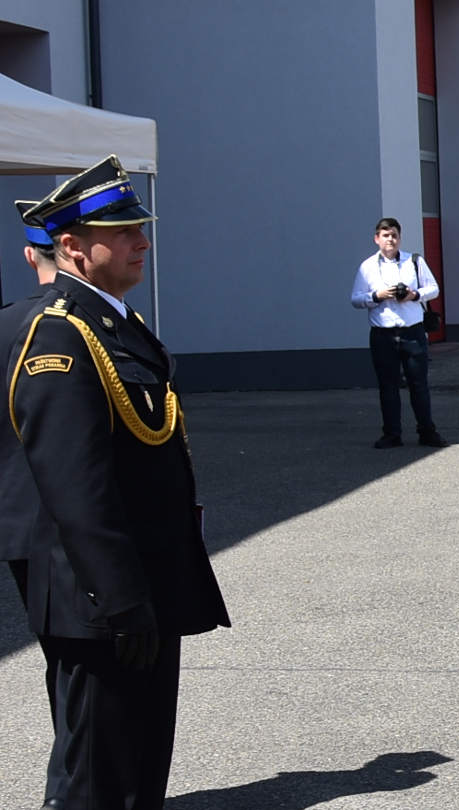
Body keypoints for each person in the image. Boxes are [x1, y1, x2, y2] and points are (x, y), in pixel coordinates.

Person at [12, 155, 230, 809]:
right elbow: (76, 489)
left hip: (144, 588)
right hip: (104, 602)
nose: (143, 242)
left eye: (140, 227)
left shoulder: (116, 325)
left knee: (138, 777)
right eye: (125, 231)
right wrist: (122, 600)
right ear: (73, 247)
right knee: (97, 783)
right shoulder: (63, 335)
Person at [5, 203, 70, 809]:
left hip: (19, 520)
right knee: (81, 670)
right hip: (71, 522)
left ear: (30, 255)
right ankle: (72, 792)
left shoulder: (8, 324)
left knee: (64, 662)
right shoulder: (84, 325)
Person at [349, 217, 446, 448]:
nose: (390, 239)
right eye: (385, 235)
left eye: (394, 235)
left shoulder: (414, 262)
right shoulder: (367, 267)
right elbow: (355, 299)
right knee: (388, 386)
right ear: (377, 239)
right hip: (383, 334)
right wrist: (377, 296)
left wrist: (414, 295)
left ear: (399, 239)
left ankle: (427, 431)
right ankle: (392, 433)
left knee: (419, 384)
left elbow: (433, 289)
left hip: (412, 332)